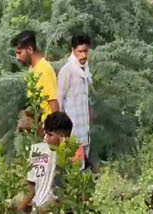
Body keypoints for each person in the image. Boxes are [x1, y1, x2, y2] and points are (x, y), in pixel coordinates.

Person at [16, 112, 85, 213]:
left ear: (63, 137)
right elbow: (31, 187)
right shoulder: (37, 150)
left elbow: (74, 190)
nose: (46, 138)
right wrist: (20, 208)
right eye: (46, 133)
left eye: (50, 135)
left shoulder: (72, 153)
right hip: (38, 208)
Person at [57, 32, 96, 171]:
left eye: (86, 51)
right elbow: (59, 100)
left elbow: (86, 98)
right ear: (73, 51)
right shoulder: (67, 71)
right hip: (72, 131)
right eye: (80, 51)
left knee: (84, 168)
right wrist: (62, 130)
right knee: (74, 169)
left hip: (84, 128)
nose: (83, 55)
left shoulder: (85, 70)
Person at [11, 30, 59, 135]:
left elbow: (53, 104)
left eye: (19, 53)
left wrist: (55, 134)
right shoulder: (33, 70)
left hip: (49, 134)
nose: (17, 57)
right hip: (39, 133)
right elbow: (37, 105)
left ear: (30, 49)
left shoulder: (43, 69)